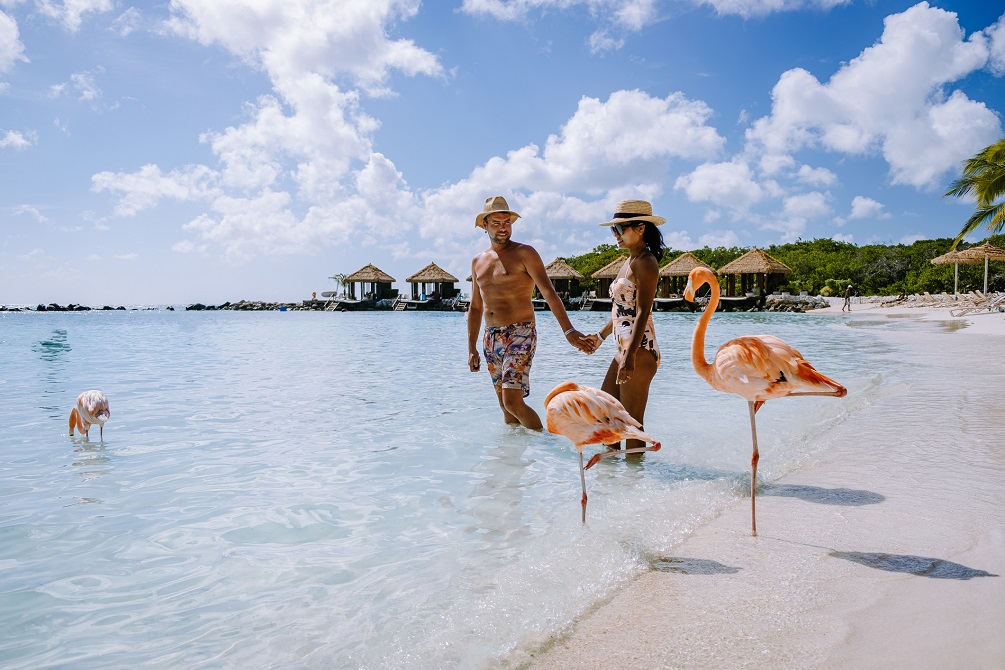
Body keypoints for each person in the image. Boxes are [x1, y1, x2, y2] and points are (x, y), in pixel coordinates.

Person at [468, 196, 595, 430]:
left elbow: (548, 292)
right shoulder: (478, 261)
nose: (503, 227)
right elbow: (476, 307)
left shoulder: (525, 253)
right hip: (491, 337)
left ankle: (544, 446)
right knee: (504, 407)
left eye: (507, 222)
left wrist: (568, 330)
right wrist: (471, 348)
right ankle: (513, 460)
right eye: (496, 222)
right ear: (484, 225)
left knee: (513, 402)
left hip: (520, 333)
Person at [586, 200, 666, 453]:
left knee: (632, 426)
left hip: (639, 350)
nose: (615, 235)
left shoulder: (646, 262)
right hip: (623, 349)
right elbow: (622, 311)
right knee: (607, 416)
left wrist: (629, 356)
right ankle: (612, 484)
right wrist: (600, 336)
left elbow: (643, 311)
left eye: (620, 229)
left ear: (640, 228)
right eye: (613, 230)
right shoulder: (629, 260)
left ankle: (636, 484)